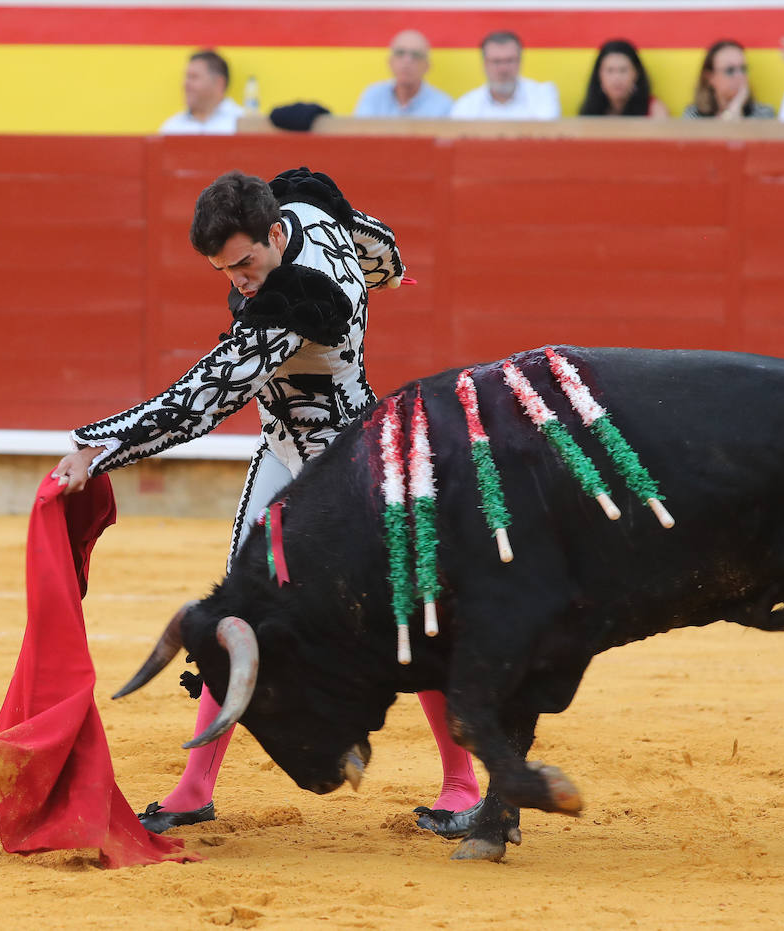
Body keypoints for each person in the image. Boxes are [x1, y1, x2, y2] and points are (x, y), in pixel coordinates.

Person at [51, 168, 482, 837]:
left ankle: (461, 782)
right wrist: (391, 270)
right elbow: (375, 240)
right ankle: (195, 785)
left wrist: (94, 445)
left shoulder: (297, 301)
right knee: (237, 610)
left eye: (247, 263)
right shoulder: (306, 208)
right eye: (226, 271)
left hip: (347, 463)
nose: (241, 283)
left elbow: (202, 402)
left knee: (407, 613)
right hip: (284, 451)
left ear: (276, 234)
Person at [450, 31, 560, 120]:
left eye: (510, 60)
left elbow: (545, 135)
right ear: (484, 64)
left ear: (520, 61)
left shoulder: (543, 95)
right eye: (496, 61)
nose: (503, 69)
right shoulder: (466, 105)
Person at [353, 29, 453, 118]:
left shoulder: (443, 105)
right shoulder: (373, 96)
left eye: (416, 55)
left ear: (427, 66)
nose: (407, 61)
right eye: (400, 53)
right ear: (390, 62)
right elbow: (358, 136)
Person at [158, 49, 246, 135]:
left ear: (219, 83)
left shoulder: (243, 122)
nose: (185, 84)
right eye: (187, 77)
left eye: (194, 77)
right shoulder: (172, 127)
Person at [683, 39, 774, 120]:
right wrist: (732, 112)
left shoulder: (763, 114)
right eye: (730, 70)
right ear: (710, 77)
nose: (739, 76)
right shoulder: (694, 115)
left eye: (743, 69)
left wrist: (737, 104)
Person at [578, 39, 669, 117]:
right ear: (599, 74)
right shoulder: (589, 110)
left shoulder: (655, 111)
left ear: (636, 74)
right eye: (610, 70)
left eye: (623, 70)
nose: (617, 78)